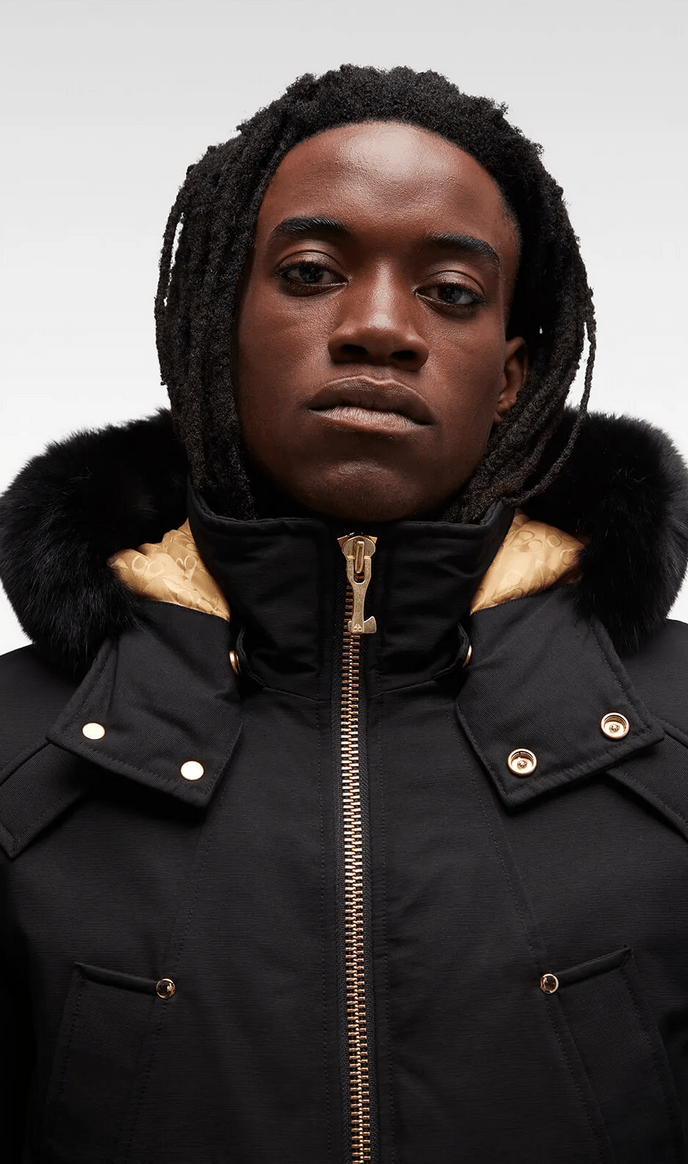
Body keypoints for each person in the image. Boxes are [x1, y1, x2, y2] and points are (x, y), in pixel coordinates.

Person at [1, 64, 687, 1164]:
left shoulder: (674, 735)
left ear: (512, 376)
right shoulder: (19, 756)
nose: (379, 327)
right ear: (217, 325)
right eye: (312, 273)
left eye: (450, 292)